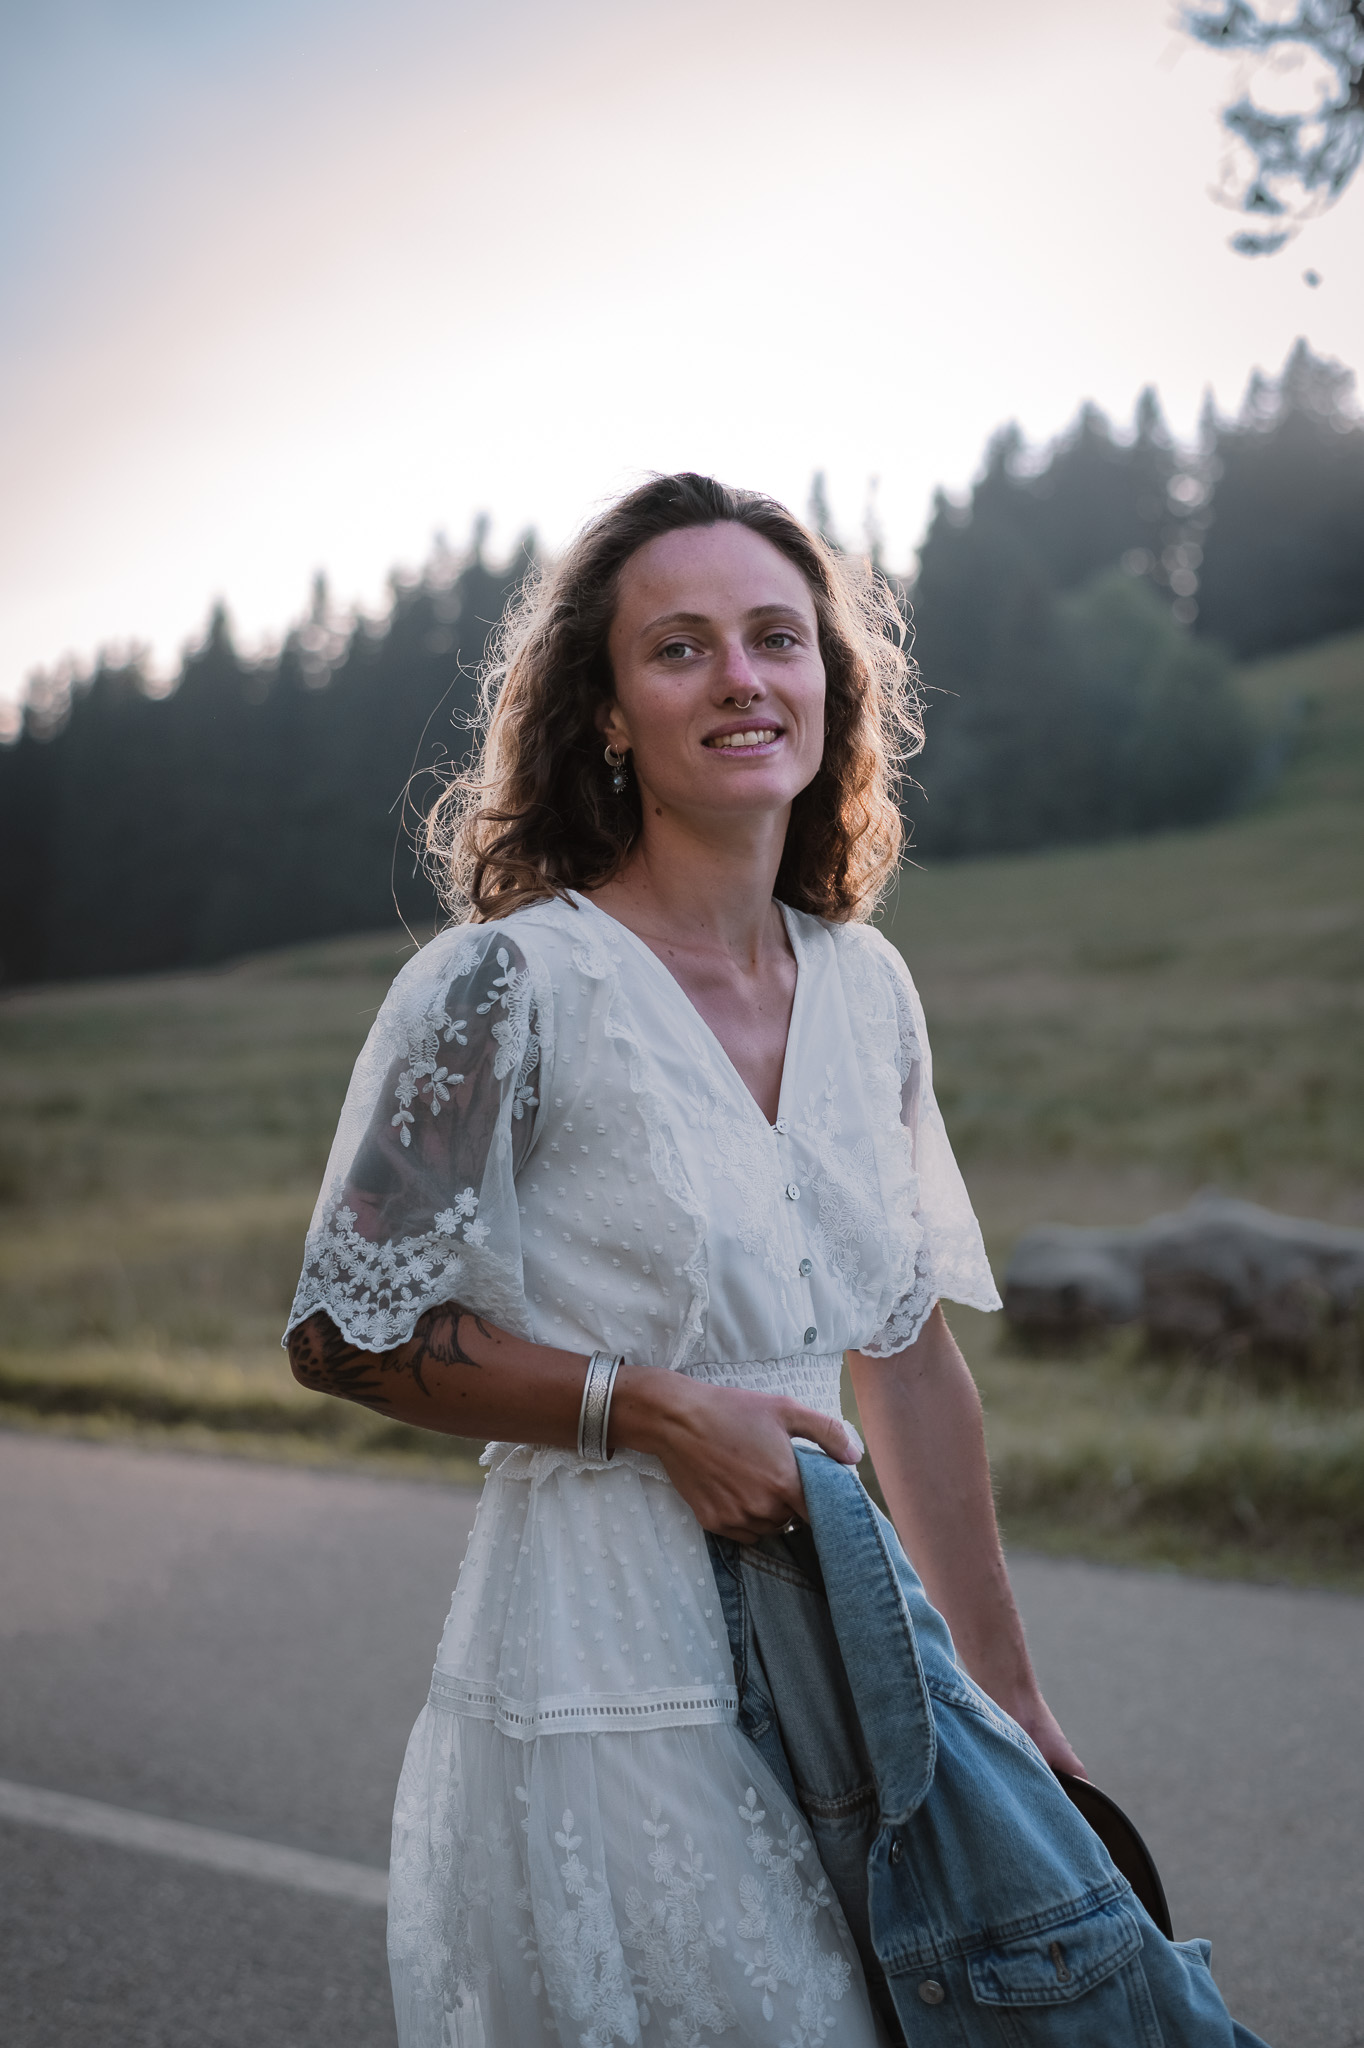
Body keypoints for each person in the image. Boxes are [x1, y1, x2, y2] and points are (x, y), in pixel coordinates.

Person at [284, 473, 1084, 2045]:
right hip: (608, 1665)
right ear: (604, 714)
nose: (740, 677)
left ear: (830, 687)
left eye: (778, 638)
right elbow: (343, 1331)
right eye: (682, 647)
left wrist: (1006, 1699)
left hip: (864, 1657)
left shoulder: (873, 990)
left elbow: (907, 1361)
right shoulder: (501, 985)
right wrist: (640, 1406)